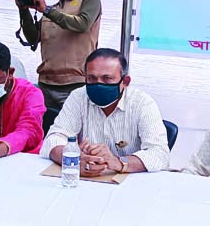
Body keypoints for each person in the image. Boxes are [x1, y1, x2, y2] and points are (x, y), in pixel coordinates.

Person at [40, 48, 169, 176]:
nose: (98, 85)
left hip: (129, 184)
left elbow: (159, 153)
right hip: (85, 181)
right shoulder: (78, 97)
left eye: (107, 78)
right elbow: (54, 139)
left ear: (125, 81)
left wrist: (118, 162)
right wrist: (73, 158)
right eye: (91, 78)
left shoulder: (143, 103)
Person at [15, 0, 101, 109]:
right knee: (44, 130)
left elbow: (83, 24)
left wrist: (45, 10)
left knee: (71, 131)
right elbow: (33, 38)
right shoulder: (53, 8)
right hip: (45, 83)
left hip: (75, 84)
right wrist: (24, 11)